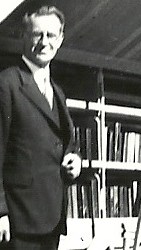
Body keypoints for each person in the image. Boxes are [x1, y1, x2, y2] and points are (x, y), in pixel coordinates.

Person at [0, 5, 81, 249]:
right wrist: (0, 212)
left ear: (61, 39)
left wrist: (75, 161)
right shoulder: (7, 84)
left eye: (51, 35)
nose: (44, 42)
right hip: (17, 222)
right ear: (24, 36)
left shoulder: (58, 92)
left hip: (52, 218)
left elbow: (66, 144)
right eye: (37, 34)